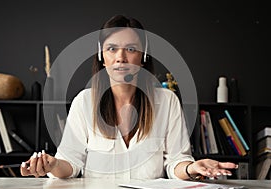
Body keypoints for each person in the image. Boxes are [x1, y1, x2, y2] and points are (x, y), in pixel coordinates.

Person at [20, 15, 238, 180]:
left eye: (131, 49)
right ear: (101, 56)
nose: (120, 58)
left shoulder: (167, 101)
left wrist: (191, 168)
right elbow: (71, 162)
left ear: (143, 56)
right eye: (112, 49)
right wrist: (51, 166)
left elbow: (176, 162)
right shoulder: (84, 102)